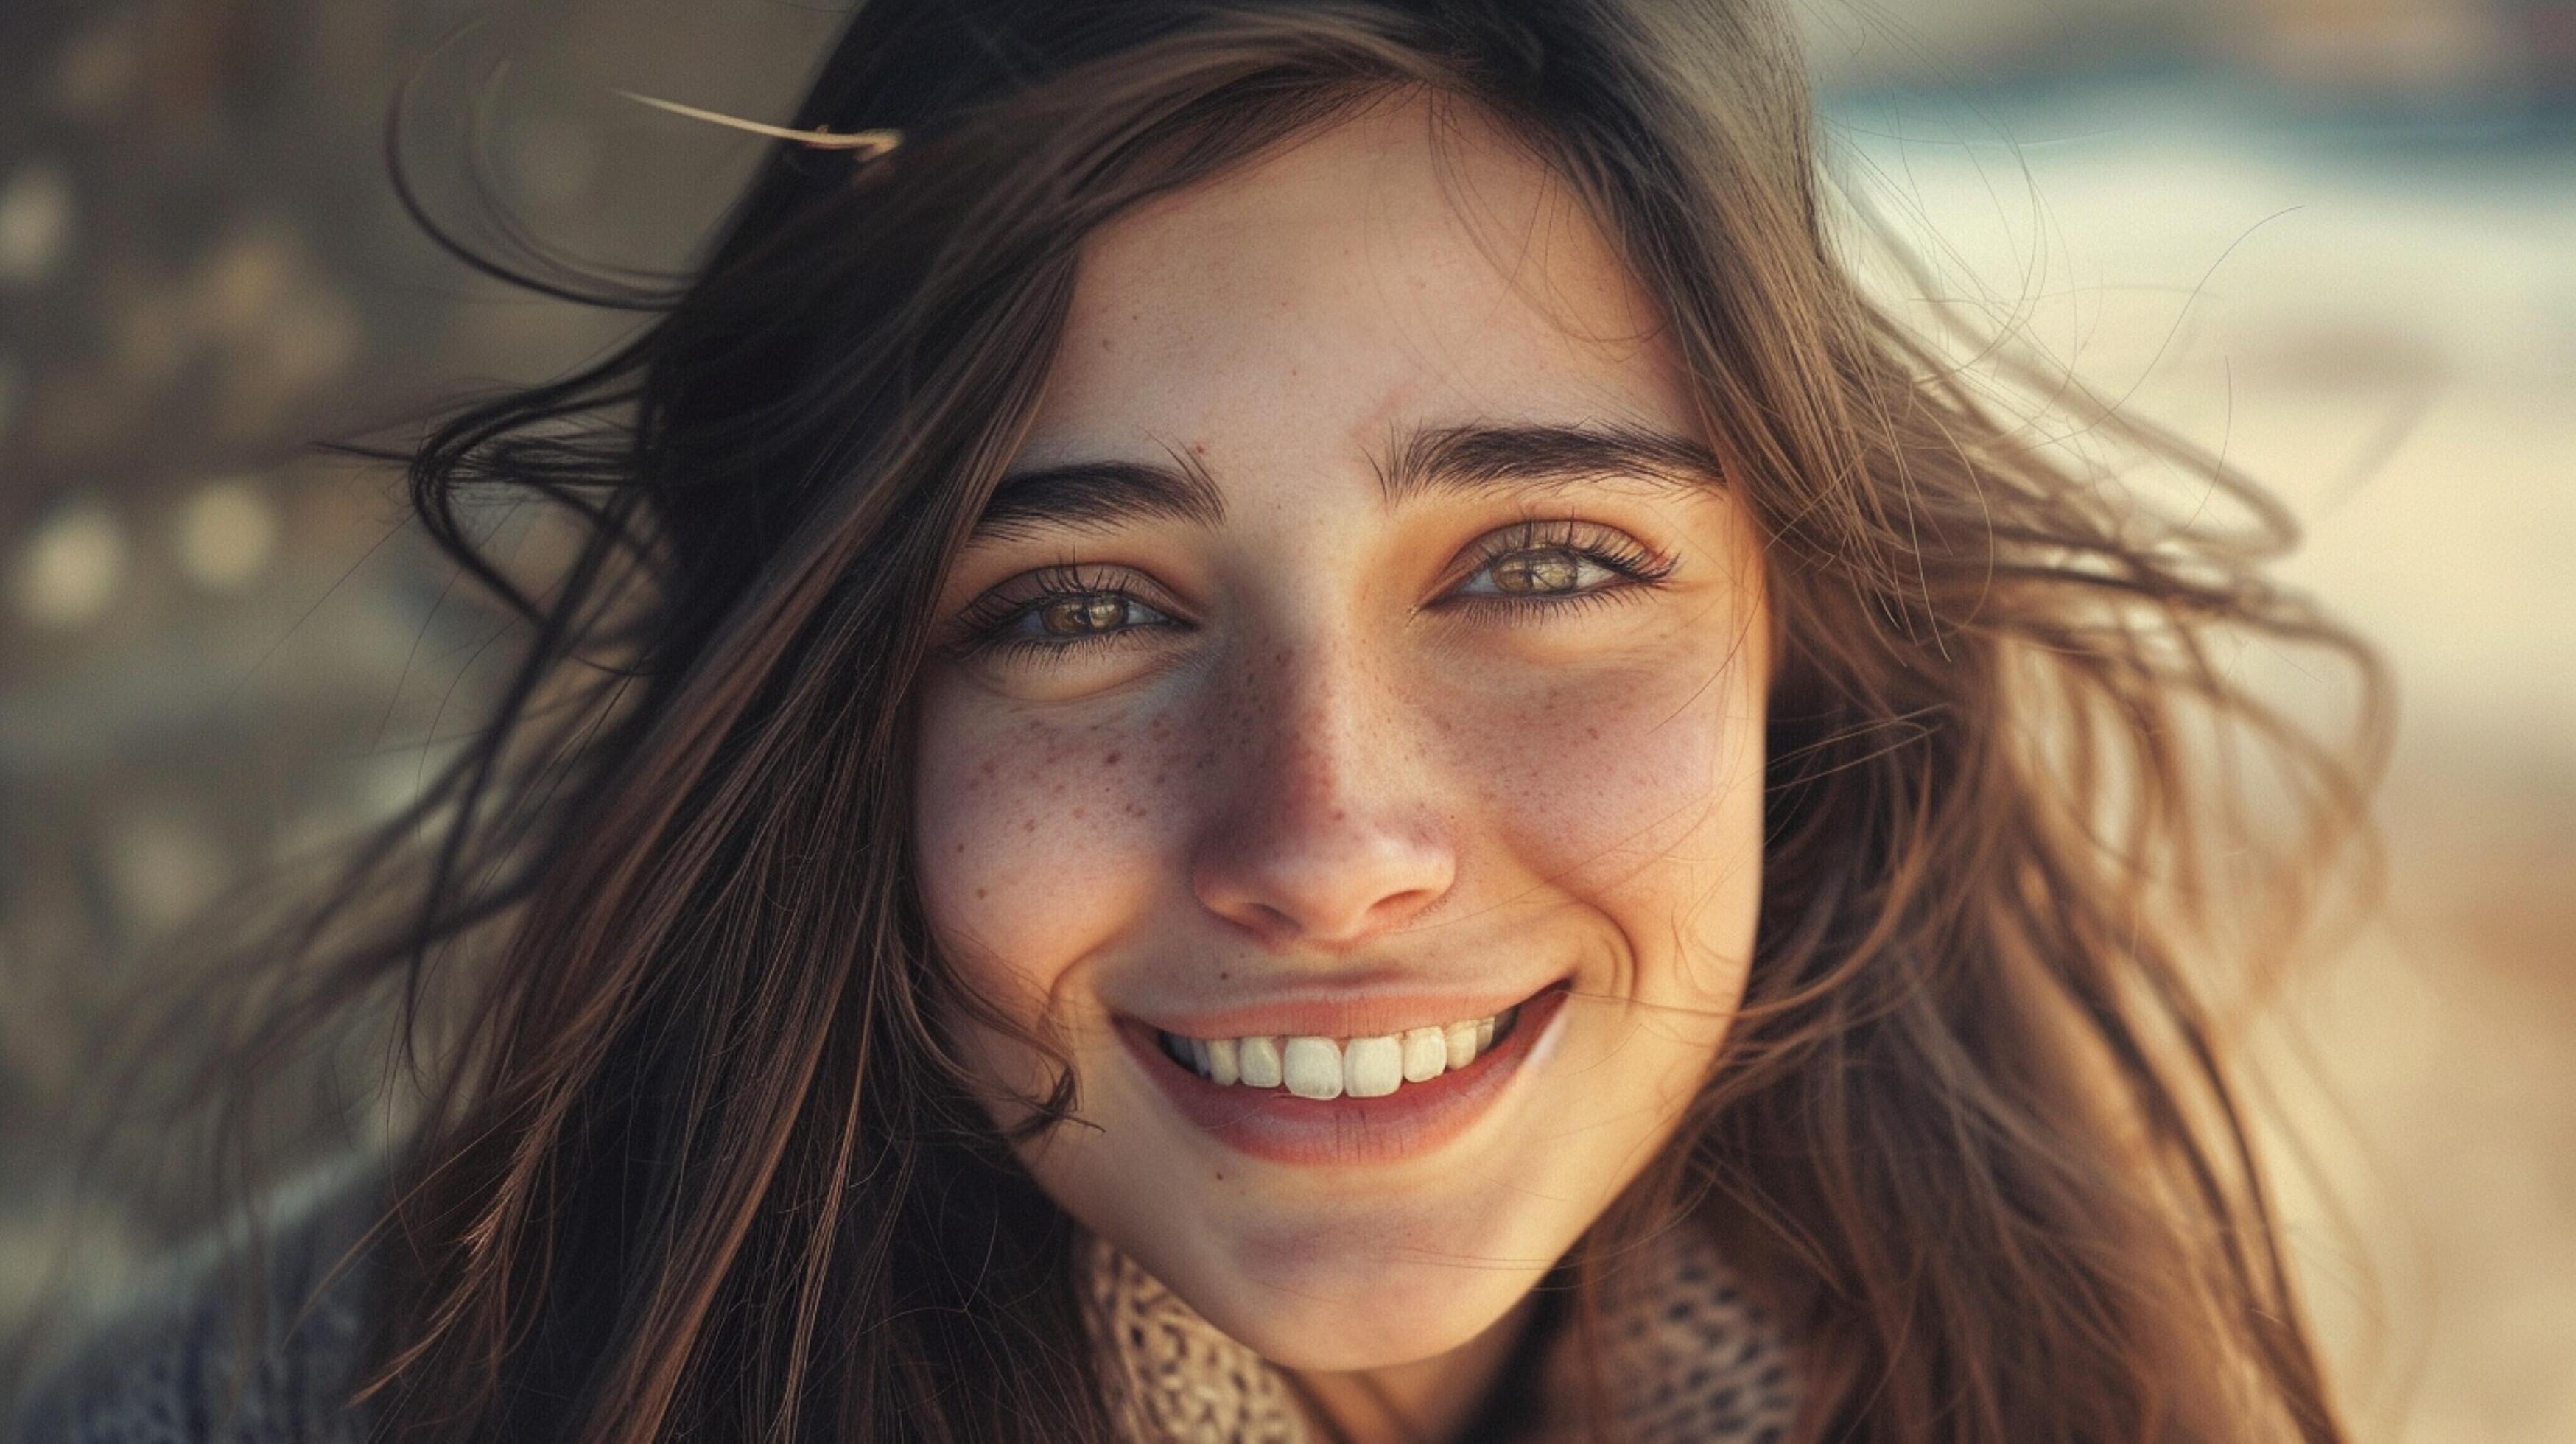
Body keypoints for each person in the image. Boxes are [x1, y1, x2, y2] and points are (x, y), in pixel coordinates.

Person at [16, 1, 2390, 1439]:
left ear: (1807, 656)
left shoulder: (2037, 1338)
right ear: (829, 721)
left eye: (1542, 566)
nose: (1326, 839)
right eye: (1075, 606)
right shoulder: (271, 1416)